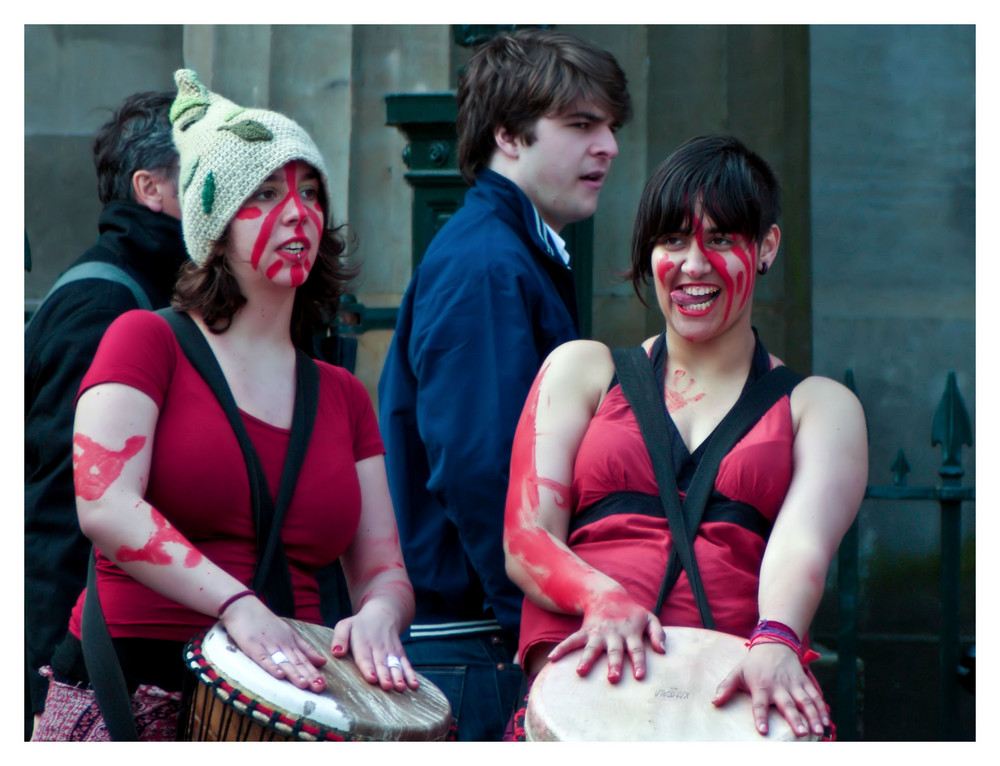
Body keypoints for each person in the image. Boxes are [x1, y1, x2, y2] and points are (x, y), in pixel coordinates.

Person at [31, 69, 419, 742]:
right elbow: (104, 506)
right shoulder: (144, 338)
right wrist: (238, 605)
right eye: (263, 193)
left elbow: (383, 568)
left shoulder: (343, 395)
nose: (296, 212)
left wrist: (383, 612)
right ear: (213, 222)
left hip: (289, 703)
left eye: (311, 192)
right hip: (135, 686)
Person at [503, 135, 868, 740]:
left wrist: (777, 634)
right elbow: (526, 537)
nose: (693, 265)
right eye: (673, 239)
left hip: (732, 716)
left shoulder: (820, 406)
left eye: (721, 239)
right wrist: (602, 597)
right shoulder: (581, 369)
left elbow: (801, 545)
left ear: (767, 246)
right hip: (579, 712)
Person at [377, 28, 632, 740]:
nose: (607, 145)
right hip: (479, 650)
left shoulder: (511, 250)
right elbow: (484, 471)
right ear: (509, 137)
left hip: (484, 642)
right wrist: (541, 632)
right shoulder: (488, 262)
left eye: (610, 126)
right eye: (581, 125)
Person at [24, 90, 187, 737]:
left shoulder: (142, 290)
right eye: (201, 173)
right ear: (150, 187)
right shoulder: (105, 305)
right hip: (76, 664)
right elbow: (59, 515)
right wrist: (44, 680)